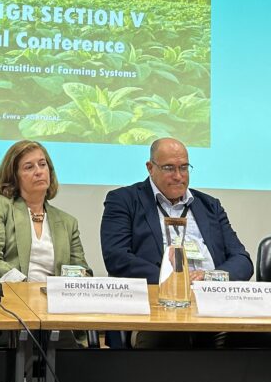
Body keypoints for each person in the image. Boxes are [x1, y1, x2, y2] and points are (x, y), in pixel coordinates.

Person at [101, 137, 260, 348]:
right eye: (169, 168)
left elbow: (242, 260)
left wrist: (210, 278)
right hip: (158, 309)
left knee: (262, 342)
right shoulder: (124, 200)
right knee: (173, 337)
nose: (178, 176)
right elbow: (117, 258)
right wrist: (175, 280)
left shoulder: (210, 205)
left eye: (184, 168)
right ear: (150, 168)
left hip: (214, 306)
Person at [0, 140, 91, 347]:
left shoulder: (67, 222)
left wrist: (72, 284)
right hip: (7, 312)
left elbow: (82, 270)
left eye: (43, 165)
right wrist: (28, 291)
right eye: (29, 167)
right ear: (14, 177)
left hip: (56, 315)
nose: (39, 171)